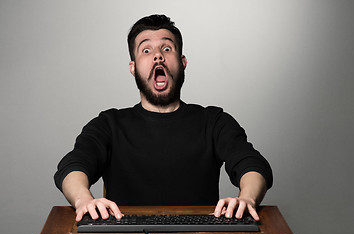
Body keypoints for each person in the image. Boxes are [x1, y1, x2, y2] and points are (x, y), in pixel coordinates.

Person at [54, 14, 273, 223]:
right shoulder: (108, 124)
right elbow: (74, 164)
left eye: (167, 48)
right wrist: (84, 200)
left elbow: (251, 164)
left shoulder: (214, 121)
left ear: (182, 61)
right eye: (146, 50)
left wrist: (247, 199)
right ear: (133, 67)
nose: (158, 55)